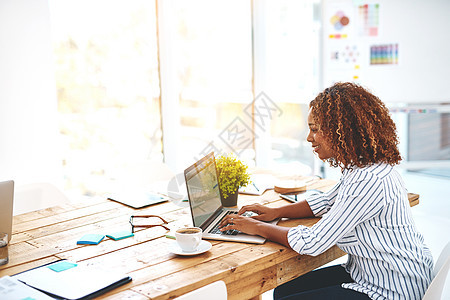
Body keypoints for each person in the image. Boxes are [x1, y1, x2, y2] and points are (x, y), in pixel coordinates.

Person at [220, 82, 433, 300]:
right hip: (370, 273)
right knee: (283, 291)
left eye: (315, 129)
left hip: (392, 289)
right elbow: (325, 202)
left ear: (342, 131)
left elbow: (313, 242)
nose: (309, 138)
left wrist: (256, 227)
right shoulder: (361, 166)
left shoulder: (368, 179)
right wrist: (276, 213)